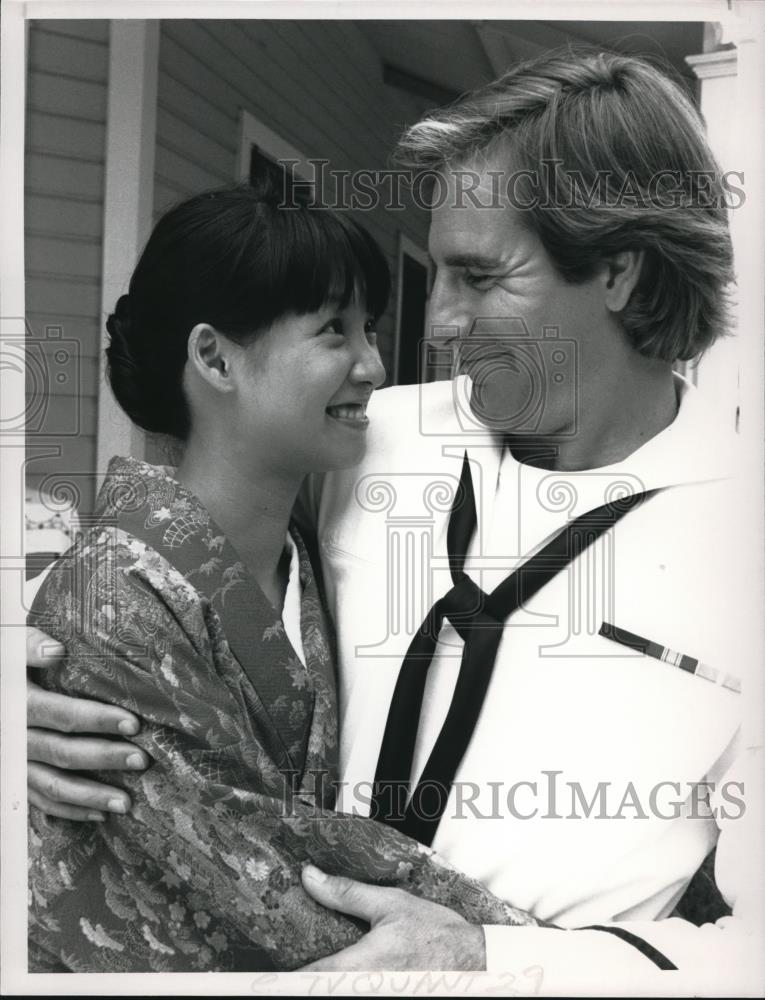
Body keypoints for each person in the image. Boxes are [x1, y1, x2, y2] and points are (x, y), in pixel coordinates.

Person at [26, 49, 763, 989]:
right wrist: (36, 679)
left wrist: (493, 957)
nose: (437, 320)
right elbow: (167, 556)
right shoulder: (369, 440)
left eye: (479, 276)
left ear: (617, 271)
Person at [25, 183, 537, 972]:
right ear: (213, 356)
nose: (371, 364)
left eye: (370, 329)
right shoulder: (106, 602)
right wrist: (513, 943)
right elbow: (251, 877)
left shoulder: (311, 546)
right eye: (334, 330)